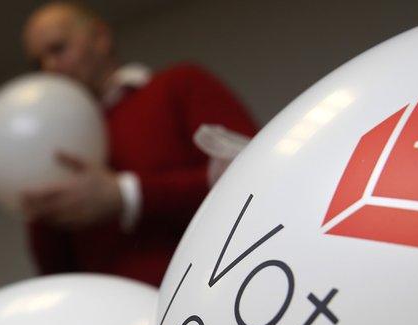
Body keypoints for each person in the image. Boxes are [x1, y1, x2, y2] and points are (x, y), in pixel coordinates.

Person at [21, 2, 259, 286]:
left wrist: (126, 195)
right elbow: (62, 279)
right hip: (131, 321)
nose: (49, 67)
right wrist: (39, 209)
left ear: (100, 37)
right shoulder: (60, 148)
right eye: (38, 63)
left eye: (58, 49)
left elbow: (254, 178)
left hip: (228, 286)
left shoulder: (178, 85)